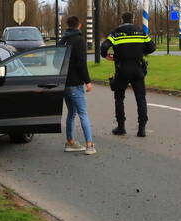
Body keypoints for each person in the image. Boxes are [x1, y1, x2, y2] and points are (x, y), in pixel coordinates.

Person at [101, 11, 156, 137]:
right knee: (141, 98)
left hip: (122, 70)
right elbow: (152, 47)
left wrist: (107, 56)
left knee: (119, 98)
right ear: (133, 19)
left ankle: (121, 127)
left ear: (122, 19)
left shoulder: (116, 33)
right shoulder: (141, 32)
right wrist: (141, 52)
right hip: (138, 69)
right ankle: (141, 129)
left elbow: (104, 46)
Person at [57, 16, 95, 154]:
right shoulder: (79, 40)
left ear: (68, 25)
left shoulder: (62, 41)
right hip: (75, 83)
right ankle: (89, 145)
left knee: (71, 113)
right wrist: (87, 82)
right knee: (83, 113)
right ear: (79, 25)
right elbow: (81, 63)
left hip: (64, 83)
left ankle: (70, 142)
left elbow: (55, 61)